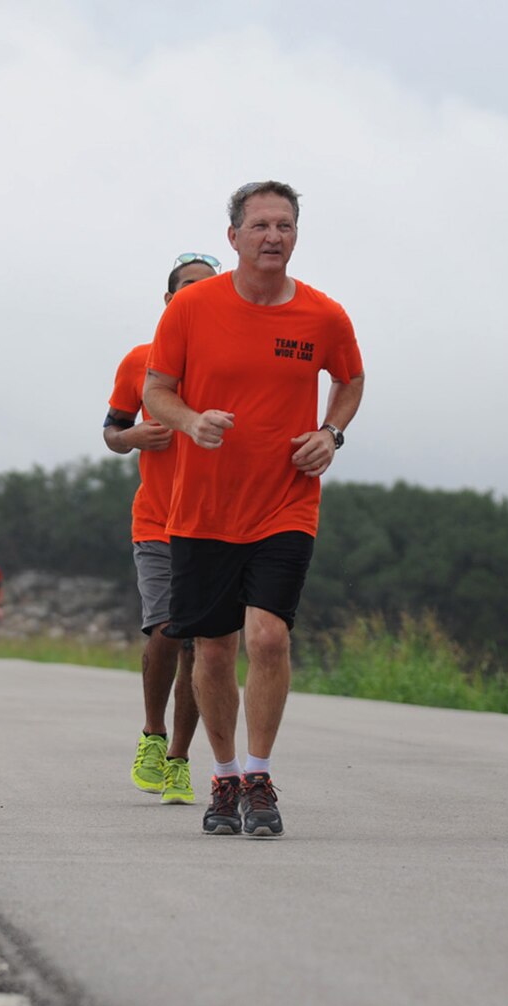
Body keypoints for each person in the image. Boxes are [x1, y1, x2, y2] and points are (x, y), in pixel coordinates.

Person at [143, 181, 366, 838]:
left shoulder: (324, 316)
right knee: (212, 652)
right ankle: (224, 776)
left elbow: (350, 380)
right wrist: (190, 421)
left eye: (286, 225)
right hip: (203, 510)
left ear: (296, 235)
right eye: (261, 224)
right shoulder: (191, 309)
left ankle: (260, 776)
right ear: (234, 236)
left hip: (285, 502)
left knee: (269, 637)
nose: (274, 236)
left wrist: (330, 433)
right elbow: (157, 392)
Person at [102, 253, 216, 806]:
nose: (196, 295)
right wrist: (133, 439)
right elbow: (111, 430)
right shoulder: (140, 361)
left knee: (200, 642)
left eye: (208, 288)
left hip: (218, 521)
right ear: (169, 300)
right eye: (186, 287)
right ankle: (153, 734)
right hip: (158, 518)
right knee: (168, 629)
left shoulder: (232, 363)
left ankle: (179, 761)